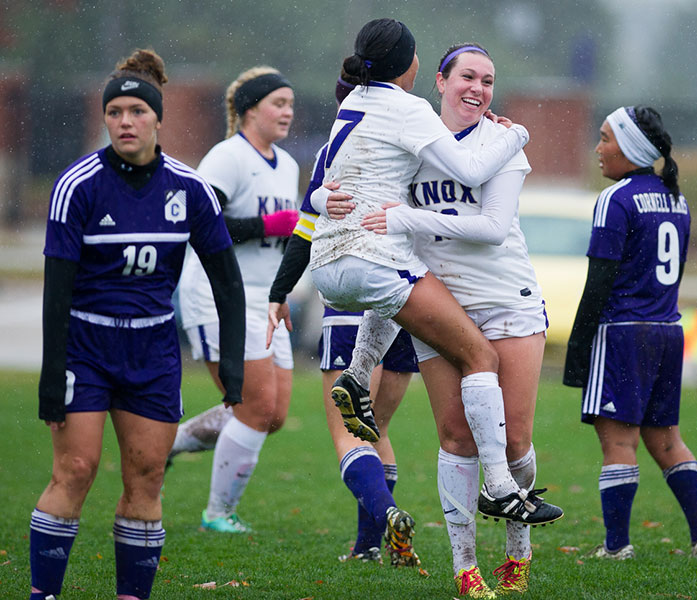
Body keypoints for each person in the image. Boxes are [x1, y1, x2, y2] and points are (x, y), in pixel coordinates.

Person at [290, 18, 560, 531]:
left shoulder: (354, 103)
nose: (479, 89)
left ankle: (354, 374)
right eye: (467, 77)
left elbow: (319, 188)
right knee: (476, 355)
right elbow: (472, 172)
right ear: (423, 71)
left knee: (404, 282)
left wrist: (326, 198)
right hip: (369, 256)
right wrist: (519, 133)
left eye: (488, 81)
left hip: (329, 262)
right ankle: (501, 488)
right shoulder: (412, 113)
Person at [30, 49, 244, 600]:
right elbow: (56, 291)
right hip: (86, 344)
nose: (125, 121)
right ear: (105, 118)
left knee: (146, 478)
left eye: (137, 111)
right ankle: (43, 594)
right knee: (75, 469)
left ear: (157, 118)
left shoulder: (188, 188)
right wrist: (52, 374)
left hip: (152, 352)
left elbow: (228, 282)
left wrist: (233, 363)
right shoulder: (77, 186)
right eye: (115, 111)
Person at [265, 72, 423, 568]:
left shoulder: (337, 155)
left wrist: (279, 290)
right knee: (378, 430)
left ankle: (387, 517)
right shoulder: (412, 141)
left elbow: (306, 230)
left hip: (354, 299)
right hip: (405, 300)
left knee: (350, 434)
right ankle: (368, 545)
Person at [563, 106, 697, 561]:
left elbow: (599, 283)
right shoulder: (676, 198)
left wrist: (579, 346)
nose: (598, 146)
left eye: (606, 137)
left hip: (624, 333)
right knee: (667, 439)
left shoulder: (617, 199)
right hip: (668, 330)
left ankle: (616, 546)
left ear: (630, 148)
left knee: (618, 442)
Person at [174, 66, 299, 534]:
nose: (288, 112)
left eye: (290, 104)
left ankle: (173, 442)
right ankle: (217, 514)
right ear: (249, 110)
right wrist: (266, 226)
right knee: (254, 407)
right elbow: (198, 223)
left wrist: (283, 291)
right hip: (218, 295)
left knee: (275, 415)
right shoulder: (226, 157)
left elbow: (286, 237)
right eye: (278, 103)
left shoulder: (285, 164)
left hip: (265, 301)